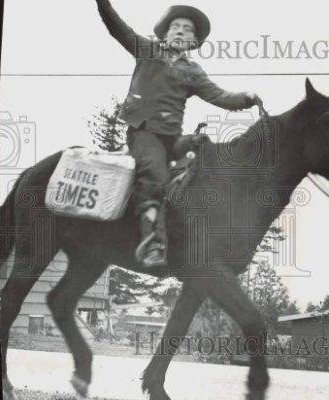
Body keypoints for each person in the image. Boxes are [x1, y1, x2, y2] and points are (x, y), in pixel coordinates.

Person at [96, 0, 263, 268]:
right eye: (175, 27)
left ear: (194, 41)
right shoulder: (147, 50)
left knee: (204, 152)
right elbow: (117, 28)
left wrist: (246, 98)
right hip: (144, 132)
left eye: (187, 29)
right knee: (156, 173)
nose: (180, 31)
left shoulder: (193, 72)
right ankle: (152, 240)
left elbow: (219, 95)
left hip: (172, 137)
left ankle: (199, 233)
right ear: (165, 34)